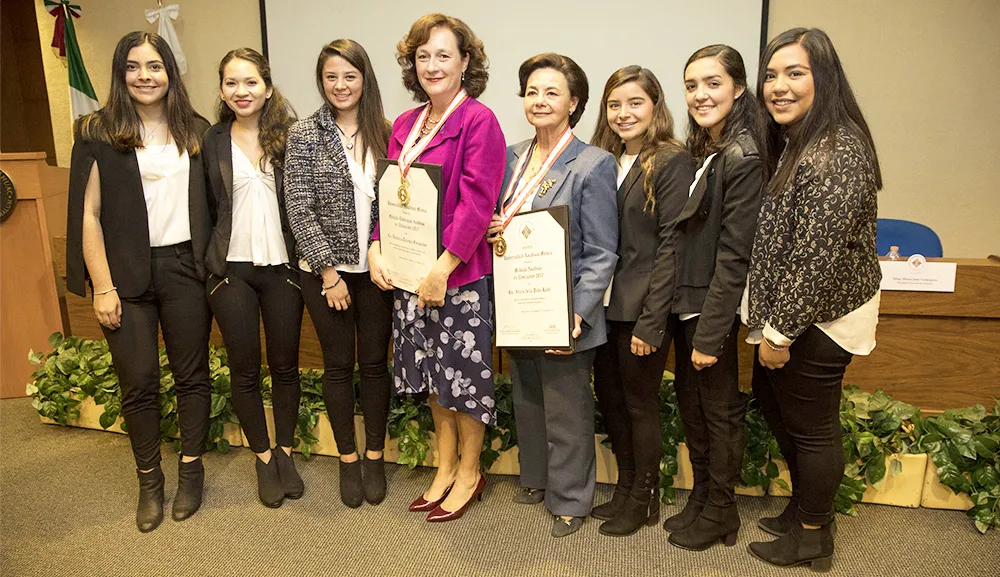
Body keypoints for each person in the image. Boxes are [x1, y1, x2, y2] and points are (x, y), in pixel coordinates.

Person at [65, 31, 212, 532]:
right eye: (133, 67)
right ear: (120, 73)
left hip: (185, 271)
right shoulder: (96, 132)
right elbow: (88, 215)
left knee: (193, 377)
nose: (144, 76)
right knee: (140, 381)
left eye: (155, 66)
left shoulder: (195, 129)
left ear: (171, 72)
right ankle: (150, 482)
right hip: (124, 275)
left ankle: (191, 474)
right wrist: (102, 286)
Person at [747, 28, 882, 571]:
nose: (778, 86)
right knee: (784, 414)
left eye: (794, 73)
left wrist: (779, 332)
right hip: (797, 315)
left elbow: (817, 258)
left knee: (813, 427)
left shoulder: (836, 150)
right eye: (772, 75)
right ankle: (804, 510)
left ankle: (812, 537)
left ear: (823, 79)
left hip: (817, 321)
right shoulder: (802, 140)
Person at [367, 14, 506, 521]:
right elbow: (392, 198)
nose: (432, 65)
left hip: (457, 278)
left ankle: (469, 472)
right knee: (433, 379)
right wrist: (377, 248)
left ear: (466, 62)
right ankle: (444, 469)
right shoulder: (405, 124)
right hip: (409, 275)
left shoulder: (479, 121)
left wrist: (443, 268)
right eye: (423, 56)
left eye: (444, 55)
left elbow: (476, 203)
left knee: (463, 382)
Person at [487, 53, 618, 538]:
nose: (539, 101)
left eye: (552, 93)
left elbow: (603, 251)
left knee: (566, 409)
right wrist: (491, 227)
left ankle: (570, 499)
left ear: (573, 103)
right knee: (527, 398)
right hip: (521, 304)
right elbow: (502, 228)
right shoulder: (510, 156)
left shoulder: (592, 163)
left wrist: (577, 313)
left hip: (564, 311)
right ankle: (538, 478)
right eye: (532, 91)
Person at [663, 45, 766, 551]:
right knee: (694, 406)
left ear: (738, 88)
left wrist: (711, 330)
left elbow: (734, 255)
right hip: (689, 303)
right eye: (691, 85)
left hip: (712, 308)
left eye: (712, 83)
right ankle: (703, 497)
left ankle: (723, 511)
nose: (700, 95)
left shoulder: (744, 154)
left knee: (719, 411)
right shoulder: (706, 151)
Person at [285, 39, 394, 509]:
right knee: (337, 366)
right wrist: (329, 273)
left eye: (349, 75)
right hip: (325, 273)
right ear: (321, 81)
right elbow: (299, 207)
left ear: (364, 79)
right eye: (331, 76)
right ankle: (347, 459)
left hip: (375, 272)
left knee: (374, 365)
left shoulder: (387, 132)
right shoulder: (304, 134)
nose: (340, 85)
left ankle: (374, 456)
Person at [590, 66, 694, 536]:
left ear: (655, 105)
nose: (623, 113)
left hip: (643, 310)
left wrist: (654, 323)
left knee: (639, 405)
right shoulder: (605, 160)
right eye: (615, 104)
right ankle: (626, 488)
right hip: (605, 307)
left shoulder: (670, 159)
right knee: (612, 401)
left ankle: (644, 498)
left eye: (635, 102)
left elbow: (672, 243)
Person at [203, 48, 303, 509]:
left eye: (250, 82)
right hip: (232, 273)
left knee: (284, 366)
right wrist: (210, 268)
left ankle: (285, 452)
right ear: (222, 89)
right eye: (231, 83)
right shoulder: (211, 140)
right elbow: (202, 207)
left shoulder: (290, 136)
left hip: (284, 269)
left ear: (266, 84)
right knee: (245, 370)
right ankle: (262, 458)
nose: (241, 92)